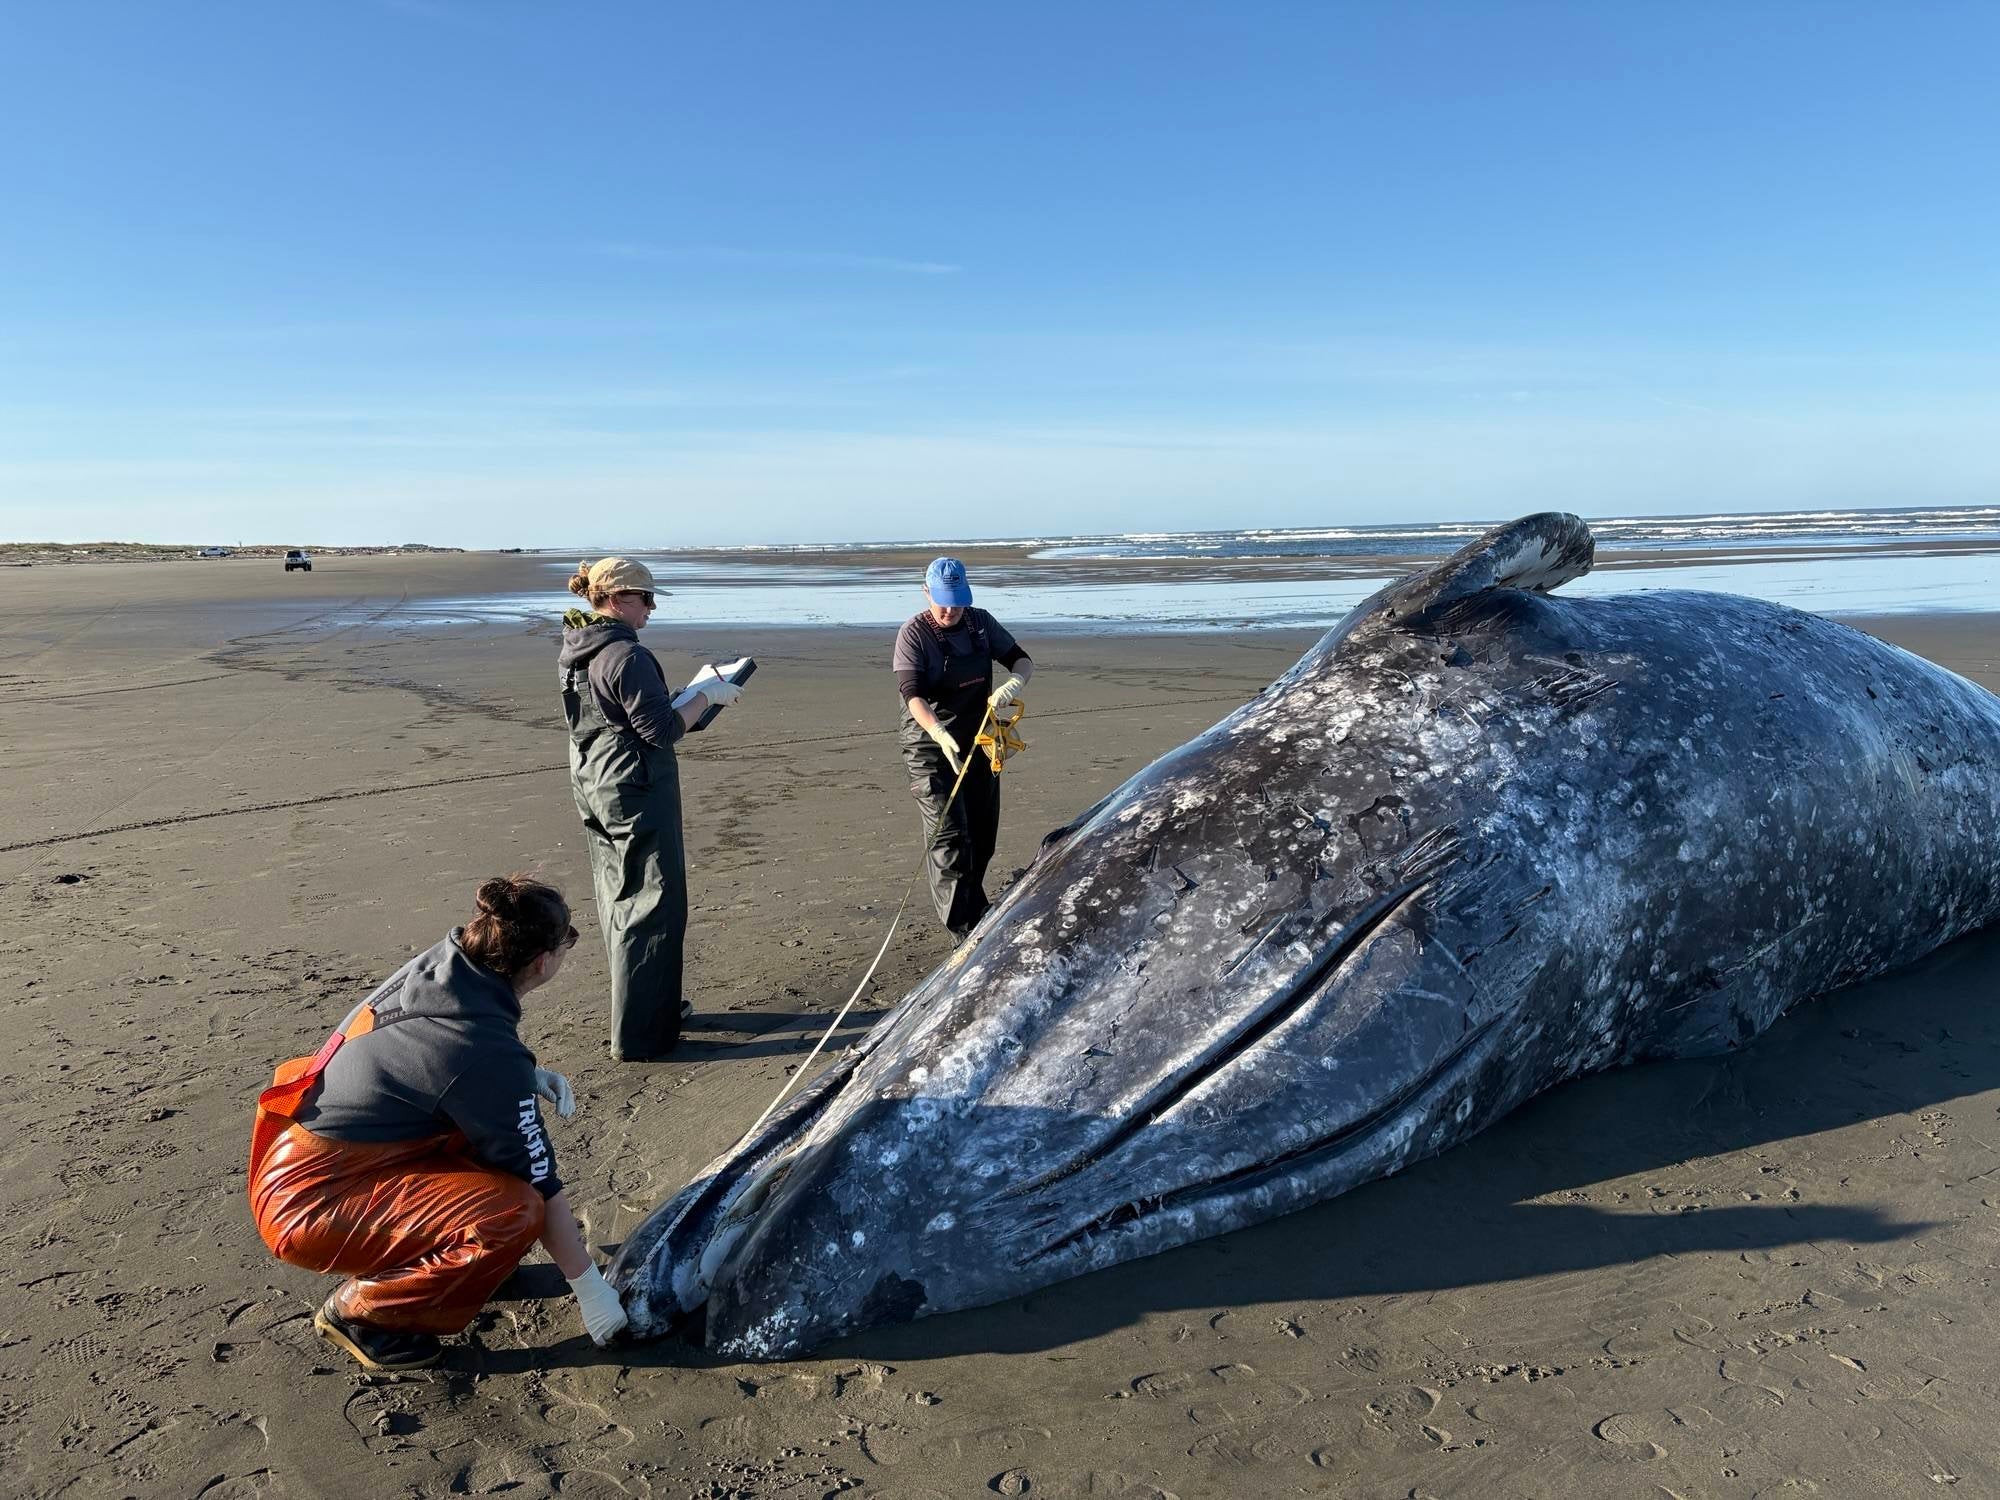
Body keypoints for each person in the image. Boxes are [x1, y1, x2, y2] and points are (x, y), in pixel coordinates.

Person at [248, 875, 628, 1372]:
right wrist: (592, 1292)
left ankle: (471, 1265)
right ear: (541, 962)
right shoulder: (482, 1049)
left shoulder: (449, 967)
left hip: (311, 1156)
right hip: (309, 1202)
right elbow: (543, 1182)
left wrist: (523, 1076)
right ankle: (363, 1315)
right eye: (564, 943)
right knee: (515, 1211)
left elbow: (423, 1057)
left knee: (490, 1144)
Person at [559, 557, 743, 1060]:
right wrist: (706, 697)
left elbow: (630, 715)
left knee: (621, 900)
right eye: (645, 597)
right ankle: (642, 1033)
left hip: (596, 784)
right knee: (653, 904)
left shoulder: (579, 648)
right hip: (635, 791)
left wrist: (684, 698)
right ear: (616, 599)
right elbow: (660, 731)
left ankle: (651, 1009)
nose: (652, 607)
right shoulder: (625, 654)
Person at [893, 556, 1034, 940]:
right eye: (942, 600)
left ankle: (977, 909)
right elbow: (912, 695)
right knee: (950, 838)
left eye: (957, 599)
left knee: (982, 833)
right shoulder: (913, 635)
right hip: (930, 747)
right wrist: (938, 731)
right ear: (926, 593)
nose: (950, 609)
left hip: (979, 742)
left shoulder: (981, 622)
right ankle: (965, 931)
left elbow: (1021, 660)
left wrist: (1014, 683)